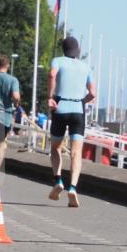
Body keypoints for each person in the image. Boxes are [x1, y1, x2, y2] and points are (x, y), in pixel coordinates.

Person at [47, 36, 96, 207]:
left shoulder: (57, 61)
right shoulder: (85, 67)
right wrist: (82, 101)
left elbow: (52, 74)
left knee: (55, 147)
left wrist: (50, 97)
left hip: (60, 107)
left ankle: (58, 180)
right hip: (78, 111)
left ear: (63, 49)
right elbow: (93, 93)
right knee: (76, 153)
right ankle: (73, 188)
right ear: (77, 51)